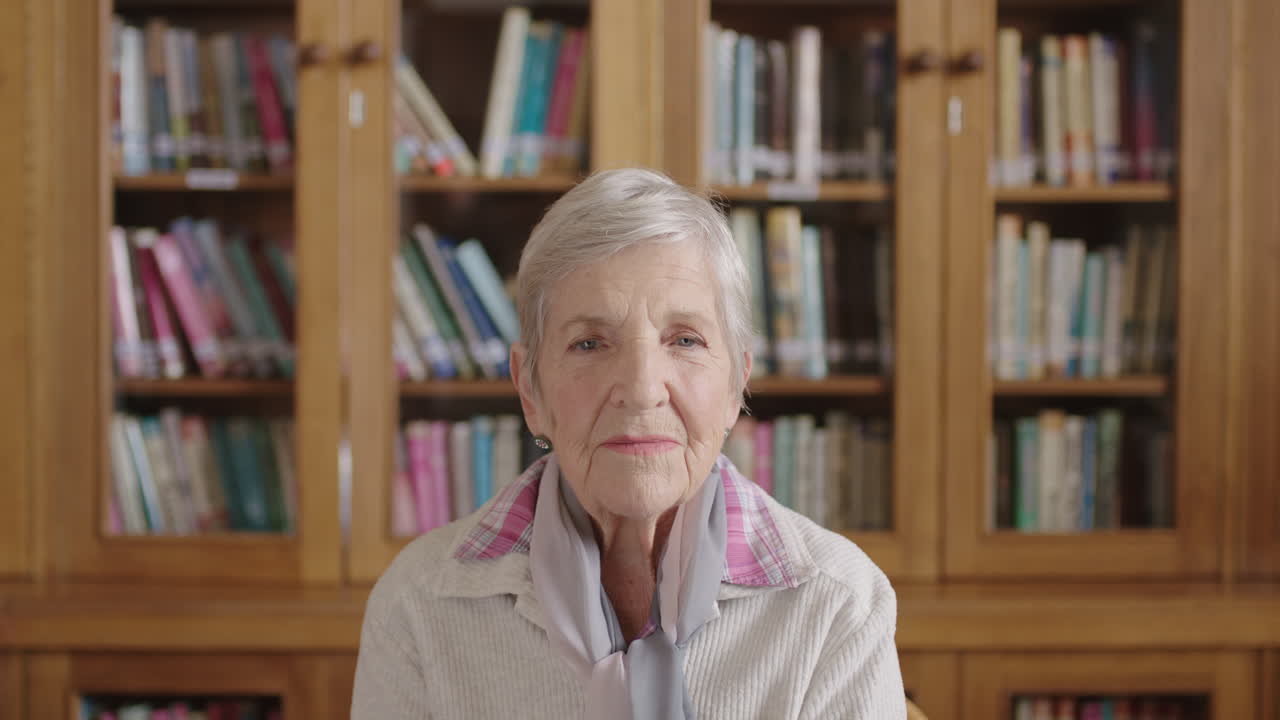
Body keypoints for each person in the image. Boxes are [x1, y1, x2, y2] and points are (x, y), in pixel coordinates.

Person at [351, 168, 905, 719]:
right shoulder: (419, 604)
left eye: (685, 339)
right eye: (590, 343)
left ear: (737, 383)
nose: (641, 391)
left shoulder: (838, 604)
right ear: (530, 390)